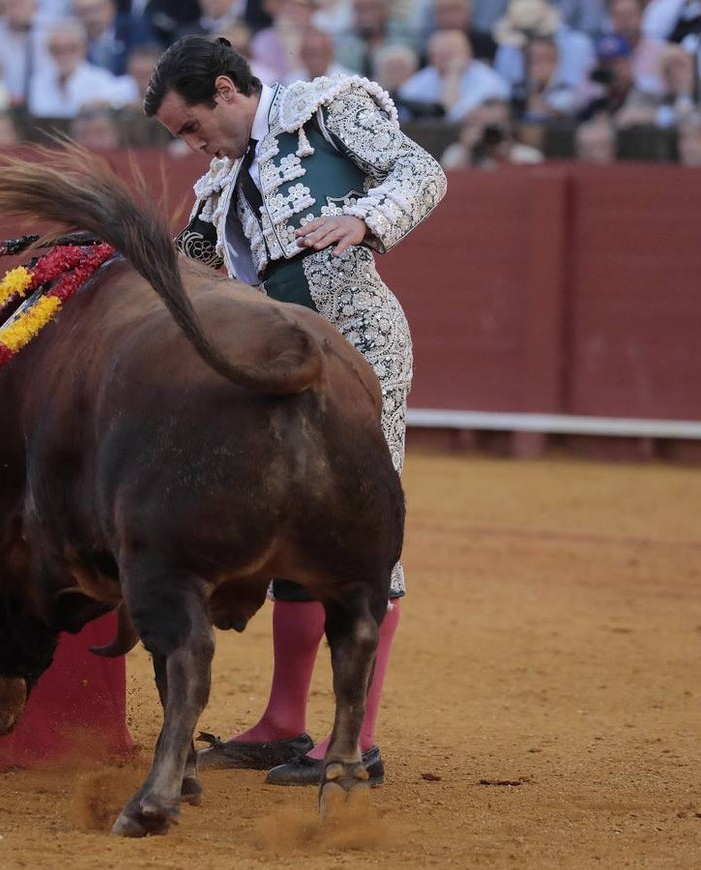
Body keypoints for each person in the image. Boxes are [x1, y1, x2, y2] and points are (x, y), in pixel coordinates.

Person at [143, 35, 446, 787]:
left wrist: (368, 220)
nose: (192, 146)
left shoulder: (327, 109)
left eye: (190, 126)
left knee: (360, 534)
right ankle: (283, 722)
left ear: (226, 88)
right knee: (290, 529)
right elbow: (191, 270)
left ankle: (357, 743)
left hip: (362, 342)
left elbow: (421, 170)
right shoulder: (217, 186)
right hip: (275, 365)